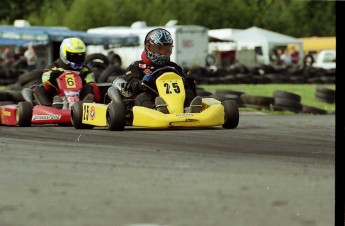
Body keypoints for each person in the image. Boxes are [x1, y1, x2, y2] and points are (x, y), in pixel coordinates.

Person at [124, 28, 201, 113]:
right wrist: (142, 83)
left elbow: (185, 86)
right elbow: (131, 85)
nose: (164, 53)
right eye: (159, 49)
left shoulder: (174, 67)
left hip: (174, 98)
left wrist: (187, 80)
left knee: (188, 92)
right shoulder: (136, 66)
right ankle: (157, 111)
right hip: (151, 96)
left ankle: (188, 109)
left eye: (166, 49)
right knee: (142, 97)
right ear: (148, 48)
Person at [34, 37, 100, 107]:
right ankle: (49, 108)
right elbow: (46, 83)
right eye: (72, 56)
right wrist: (53, 78)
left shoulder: (86, 71)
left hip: (80, 99)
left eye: (80, 56)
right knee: (39, 89)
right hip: (58, 97)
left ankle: (85, 105)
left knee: (90, 87)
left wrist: (81, 80)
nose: (76, 59)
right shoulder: (53, 68)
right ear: (64, 54)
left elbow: (91, 84)